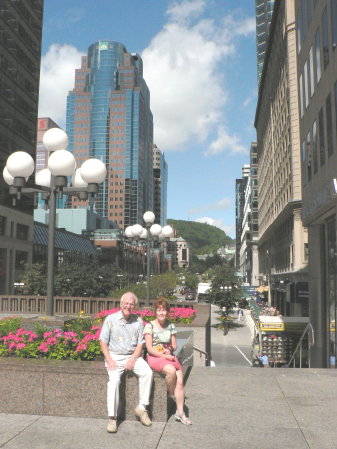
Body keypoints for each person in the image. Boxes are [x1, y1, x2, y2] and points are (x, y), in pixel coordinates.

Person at [99, 292, 153, 433]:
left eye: (131, 304)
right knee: (114, 381)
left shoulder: (138, 321)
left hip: (132, 356)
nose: (128, 306)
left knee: (147, 373)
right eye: (126, 303)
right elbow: (103, 341)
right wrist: (109, 359)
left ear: (134, 306)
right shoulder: (110, 319)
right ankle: (112, 418)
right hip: (114, 357)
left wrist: (133, 359)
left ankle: (142, 408)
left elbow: (140, 344)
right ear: (121, 303)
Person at [144, 298, 192, 425]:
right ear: (155, 311)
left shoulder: (171, 326)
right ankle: (171, 394)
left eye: (164, 310)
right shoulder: (149, 326)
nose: (161, 313)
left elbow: (174, 345)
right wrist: (164, 355)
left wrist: (169, 349)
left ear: (167, 312)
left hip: (168, 355)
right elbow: (149, 348)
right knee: (170, 371)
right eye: (159, 310)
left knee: (180, 381)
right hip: (155, 357)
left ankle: (180, 412)